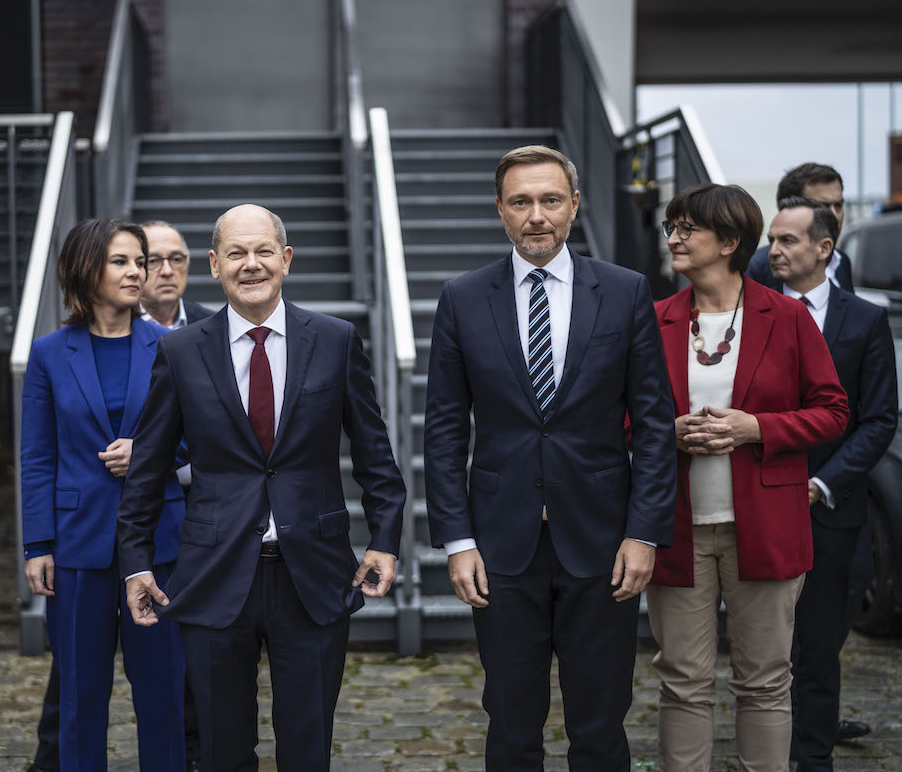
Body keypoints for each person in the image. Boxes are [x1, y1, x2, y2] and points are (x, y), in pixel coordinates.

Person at [117, 204, 405, 772]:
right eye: (236, 254)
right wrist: (136, 562)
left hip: (313, 574)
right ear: (215, 265)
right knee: (222, 750)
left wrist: (385, 539)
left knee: (307, 746)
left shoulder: (336, 340)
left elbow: (374, 451)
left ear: (286, 259)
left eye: (263, 252)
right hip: (213, 573)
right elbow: (148, 468)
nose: (251, 265)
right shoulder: (178, 351)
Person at [424, 145, 678, 771]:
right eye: (520, 202)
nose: (536, 215)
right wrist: (457, 541)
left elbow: (652, 425)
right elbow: (445, 430)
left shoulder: (624, 292)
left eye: (549, 200)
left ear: (573, 206)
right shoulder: (462, 297)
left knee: (600, 723)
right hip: (501, 547)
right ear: (501, 210)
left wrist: (644, 532)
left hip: (602, 544)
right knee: (511, 723)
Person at [647, 183, 849, 772]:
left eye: (688, 228)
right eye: (672, 227)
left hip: (766, 526)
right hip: (677, 527)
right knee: (682, 681)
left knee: (764, 681)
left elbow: (834, 409)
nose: (675, 238)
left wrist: (754, 428)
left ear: (730, 241)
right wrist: (668, 432)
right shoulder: (653, 319)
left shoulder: (785, 316)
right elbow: (618, 419)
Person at [29, 218, 212, 772]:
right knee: (80, 698)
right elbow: (37, 455)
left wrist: (150, 452)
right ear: (85, 270)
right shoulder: (48, 352)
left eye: (143, 261)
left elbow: (203, 437)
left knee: (164, 694)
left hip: (159, 543)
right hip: (76, 548)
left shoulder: (173, 344)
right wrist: (37, 543)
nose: (140, 272)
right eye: (122, 262)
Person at [765, 197, 898, 771]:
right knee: (763, 652)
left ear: (824, 249)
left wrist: (824, 483)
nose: (773, 250)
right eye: (771, 240)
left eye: (787, 240)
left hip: (829, 510)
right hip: (759, 503)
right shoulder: (752, 312)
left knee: (818, 649)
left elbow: (879, 421)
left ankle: (812, 760)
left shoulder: (864, 320)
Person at [747, 163, 852, 292]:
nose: (834, 216)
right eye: (822, 206)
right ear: (790, 207)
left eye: (838, 205)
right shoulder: (756, 269)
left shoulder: (841, 261)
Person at [141, 219, 216, 328]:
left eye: (176, 259)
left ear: (188, 263)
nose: (167, 271)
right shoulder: (115, 326)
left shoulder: (212, 324)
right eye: (153, 261)